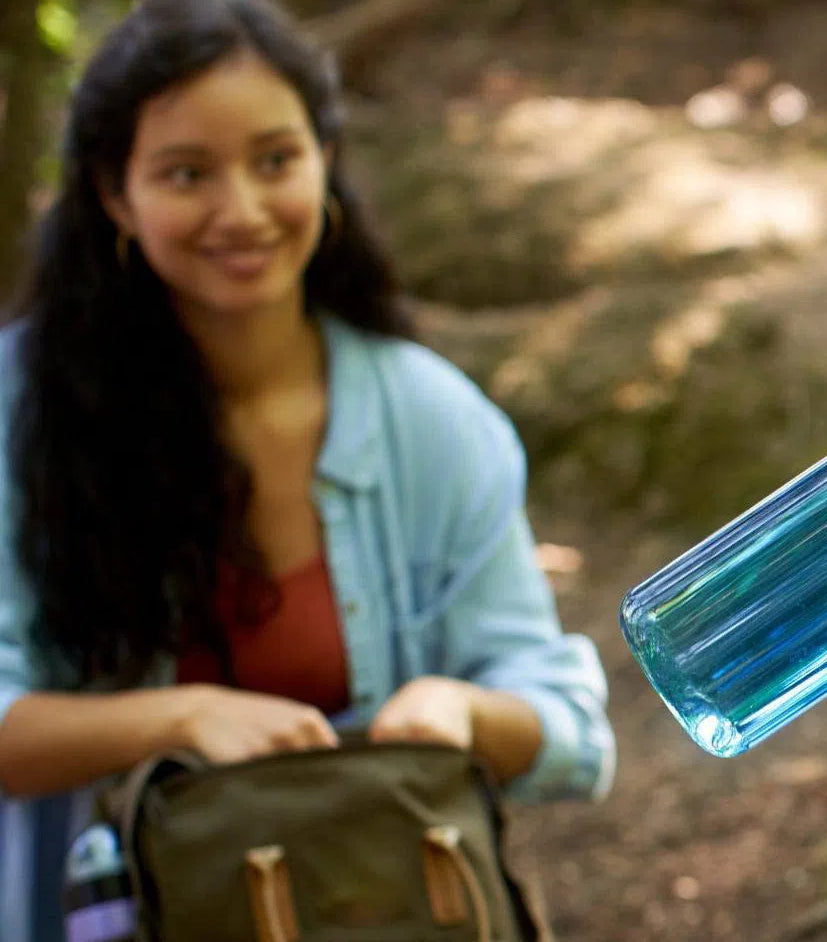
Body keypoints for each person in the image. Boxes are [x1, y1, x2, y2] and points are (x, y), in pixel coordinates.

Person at [0, 2, 615, 938]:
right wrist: (181, 719)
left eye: (274, 160)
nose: (240, 210)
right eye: (186, 173)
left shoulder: (432, 418)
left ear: (326, 162)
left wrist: (463, 709)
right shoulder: (20, 413)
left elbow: (568, 728)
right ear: (115, 196)